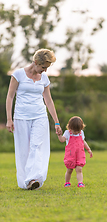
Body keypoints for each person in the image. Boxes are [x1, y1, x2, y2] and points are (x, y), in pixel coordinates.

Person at [6, 48, 62, 190]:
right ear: (36, 62)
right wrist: (9, 119)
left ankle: (34, 178)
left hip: (40, 116)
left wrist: (56, 122)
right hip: (21, 117)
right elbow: (10, 97)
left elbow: (49, 101)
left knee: (37, 147)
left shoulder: (44, 78)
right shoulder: (18, 75)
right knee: (24, 150)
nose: (45, 71)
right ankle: (27, 180)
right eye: (43, 67)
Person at [58, 116, 93, 187]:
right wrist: (59, 135)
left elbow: (83, 141)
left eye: (78, 131)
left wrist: (88, 149)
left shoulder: (81, 133)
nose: (77, 132)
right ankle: (67, 182)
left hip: (80, 154)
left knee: (79, 169)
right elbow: (62, 140)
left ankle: (80, 182)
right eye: (75, 131)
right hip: (71, 155)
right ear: (70, 128)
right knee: (69, 170)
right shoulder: (67, 133)